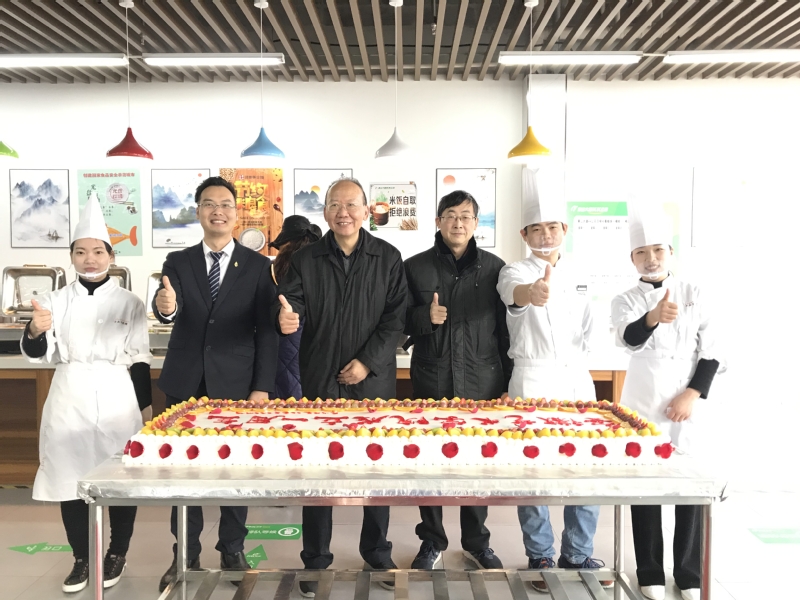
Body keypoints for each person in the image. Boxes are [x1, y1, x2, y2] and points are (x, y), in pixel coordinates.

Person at [274, 177, 406, 598]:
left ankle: (377, 551)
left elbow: (396, 318)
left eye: (351, 205)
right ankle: (315, 559)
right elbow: (291, 303)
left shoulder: (387, 257)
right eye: (335, 205)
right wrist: (286, 317)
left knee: (376, 469)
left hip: (374, 382)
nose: (343, 213)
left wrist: (367, 362)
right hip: (321, 380)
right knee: (319, 473)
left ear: (367, 211)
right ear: (325, 211)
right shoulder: (307, 259)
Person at [153, 176, 279, 592]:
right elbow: (169, 305)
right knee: (180, 470)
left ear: (235, 212)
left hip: (237, 384)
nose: (218, 211)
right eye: (209, 204)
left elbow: (266, 331)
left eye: (225, 204)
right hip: (184, 381)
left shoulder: (258, 266)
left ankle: (232, 548)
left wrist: (262, 386)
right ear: (198, 211)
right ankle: (185, 553)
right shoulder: (178, 261)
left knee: (235, 468)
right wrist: (166, 307)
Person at [20, 196, 152, 593]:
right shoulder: (54, 301)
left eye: (97, 251)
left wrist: (145, 411)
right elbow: (36, 352)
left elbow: (140, 360)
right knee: (69, 477)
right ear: (72, 257)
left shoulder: (130, 302)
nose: (89, 259)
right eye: (81, 252)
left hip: (117, 395)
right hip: (69, 392)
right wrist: (35, 329)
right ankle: (81, 558)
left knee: (122, 480)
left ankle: (117, 553)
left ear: (111, 255)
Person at [496, 168, 610, 593]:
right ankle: (540, 553)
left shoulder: (582, 273)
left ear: (565, 229)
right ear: (524, 233)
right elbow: (516, 296)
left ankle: (578, 552)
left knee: (588, 465)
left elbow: (592, 325)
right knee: (533, 468)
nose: (545, 235)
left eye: (552, 227)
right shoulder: (513, 271)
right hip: (533, 378)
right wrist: (533, 293)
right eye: (537, 228)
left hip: (577, 379)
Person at [611, 206, 723, 600]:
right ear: (632, 258)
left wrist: (692, 394)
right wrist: (652, 317)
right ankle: (649, 572)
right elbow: (627, 339)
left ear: (670, 251)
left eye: (658, 250)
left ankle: (689, 574)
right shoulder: (625, 299)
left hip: (688, 402)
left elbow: (714, 351)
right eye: (642, 252)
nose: (651, 258)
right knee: (645, 487)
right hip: (643, 401)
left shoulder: (696, 293)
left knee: (689, 488)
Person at [403, 190, 511, 571]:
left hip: (482, 382)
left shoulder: (496, 269)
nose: (458, 223)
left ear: (476, 223)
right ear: (438, 221)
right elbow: (397, 322)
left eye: (466, 216)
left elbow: (506, 333)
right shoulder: (414, 267)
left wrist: (508, 385)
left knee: (477, 464)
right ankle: (431, 541)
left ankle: (477, 543)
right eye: (450, 215)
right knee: (429, 462)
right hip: (433, 380)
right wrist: (424, 318)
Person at [268, 215, 322, 400]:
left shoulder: (271, 270)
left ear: (285, 243)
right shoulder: (322, 268)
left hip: (278, 351)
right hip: (316, 353)